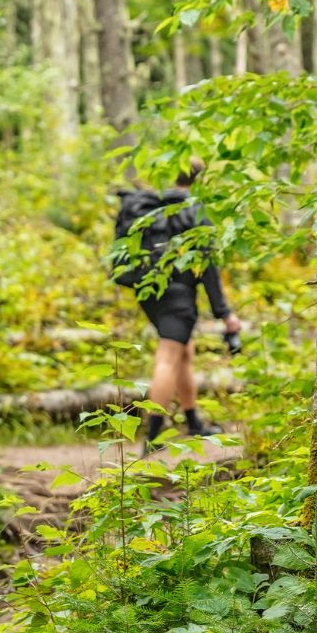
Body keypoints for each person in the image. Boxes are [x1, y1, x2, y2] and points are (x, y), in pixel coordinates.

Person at [114, 160, 242, 449]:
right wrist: (225, 313)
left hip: (148, 292)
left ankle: (193, 421)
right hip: (178, 296)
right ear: (200, 180)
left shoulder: (157, 205)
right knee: (168, 358)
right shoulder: (195, 210)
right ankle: (153, 436)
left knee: (184, 352)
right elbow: (208, 266)